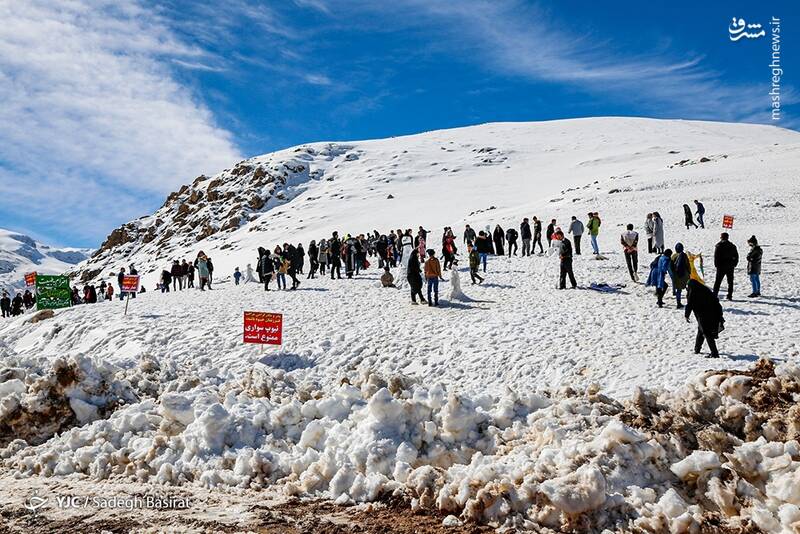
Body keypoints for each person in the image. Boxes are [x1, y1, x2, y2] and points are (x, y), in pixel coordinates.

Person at [685, 278, 724, 358]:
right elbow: (716, 302)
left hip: (703, 316)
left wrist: (686, 315)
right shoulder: (705, 290)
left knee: (706, 333)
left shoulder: (693, 292)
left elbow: (690, 304)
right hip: (713, 314)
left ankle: (714, 353)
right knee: (701, 330)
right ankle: (697, 349)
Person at [713, 232, 738, 301]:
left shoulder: (719, 246)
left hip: (721, 267)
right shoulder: (732, 246)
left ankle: (715, 295)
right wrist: (734, 264)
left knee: (718, 282)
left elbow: (716, 256)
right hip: (730, 266)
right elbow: (736, 256)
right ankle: (730, 295)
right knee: (730, 282)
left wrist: (716, 265)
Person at [669, 243, 690, 308]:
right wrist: (689, 273)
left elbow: (671, 266)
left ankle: (678, 303)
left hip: (676, 275)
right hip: (684, 275)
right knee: (688, 288)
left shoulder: (673, 256)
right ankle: (689, 301)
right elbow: (687, 265)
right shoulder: (684, 255)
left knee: (678, 290)